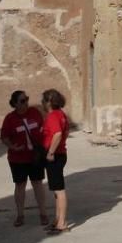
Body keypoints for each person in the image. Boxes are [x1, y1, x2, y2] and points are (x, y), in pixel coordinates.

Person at [0, 90, 49, 228]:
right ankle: (20, 215)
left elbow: (43, 128)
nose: (26, 102)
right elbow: (4, 136)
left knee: (37, 183)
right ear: (14, 104)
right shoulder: (10, 118)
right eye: (22, 101)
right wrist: (13, 147)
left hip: (35, 156)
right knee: (20, 186)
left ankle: (43, 213)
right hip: (18, 159)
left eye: (26, 99)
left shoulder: (34, 112)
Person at [40, 88, 71, 234]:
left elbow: (57, 134)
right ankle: (57, 220)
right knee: (56, 190)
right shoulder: (61, 114)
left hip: (55, 155)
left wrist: (51, 152)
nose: (42, 103)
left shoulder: (53, 116)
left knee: (59, 190)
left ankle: (62, 223)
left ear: (49, 102)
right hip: (60, 154)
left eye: (43, 100)